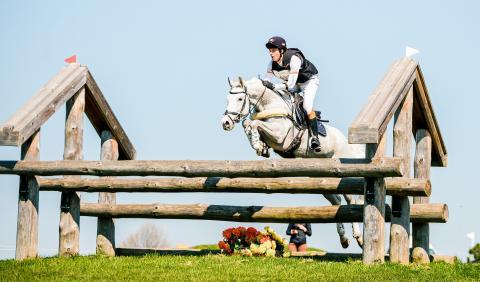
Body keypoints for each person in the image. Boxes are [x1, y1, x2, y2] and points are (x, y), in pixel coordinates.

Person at [262, 36, 321, 151]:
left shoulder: (294, 58)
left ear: (282, 50)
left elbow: (291, 84)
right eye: (270, 51)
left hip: (309, 81)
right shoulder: (271, 65)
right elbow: (266, 82)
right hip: (292, 84)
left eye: (273, 51)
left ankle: (315, 138)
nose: (271, 54)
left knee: (307, 106)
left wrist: (274, 87)